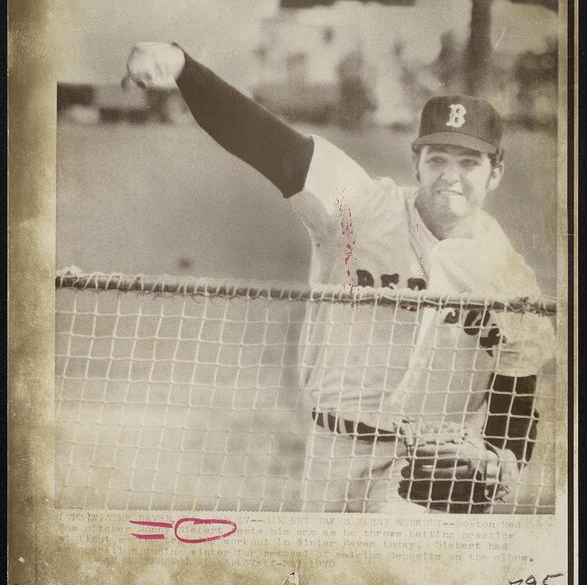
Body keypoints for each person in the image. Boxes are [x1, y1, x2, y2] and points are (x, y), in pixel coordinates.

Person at [124, 42, 555, 514]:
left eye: (469, 163)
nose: (450, 176)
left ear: (495, 173)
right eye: (437, 160)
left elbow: (516, 393)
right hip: (331, 448)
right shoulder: (362, 210)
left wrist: (501, 458)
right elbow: (267, 143)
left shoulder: (510, 279)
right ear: (416, 164)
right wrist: (187, 67)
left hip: (424, 466)